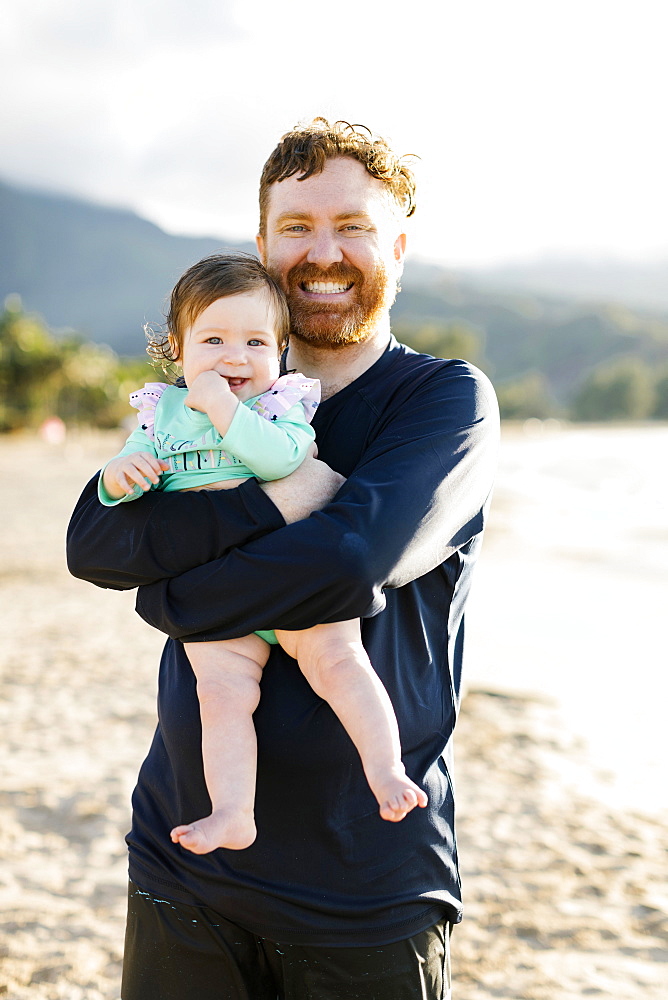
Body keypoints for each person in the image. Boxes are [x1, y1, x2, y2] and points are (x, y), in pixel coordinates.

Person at [67, 118, 500, 999]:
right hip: (184, 860)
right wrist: (276, 503)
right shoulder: (214, 393)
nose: (324, 252)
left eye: (354, 228)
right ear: (263, 245)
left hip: (364, 889)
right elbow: (96, 541)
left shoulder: (444, 403)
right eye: (297, 228)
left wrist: (170, 599)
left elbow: (349, 562)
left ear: (399, 248)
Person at [99, 252, 427, 855]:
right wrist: (122, 474)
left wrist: (223, 409)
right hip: (221, 598)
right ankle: (232, 813)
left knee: (341, 663)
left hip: (296, 579)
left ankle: (385, 770)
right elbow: (114, 489)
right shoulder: (160, 411)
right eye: (214, 339)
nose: (235, 356)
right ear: (178, 348)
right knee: (221, 697)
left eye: (256, 341)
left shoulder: (280, 405)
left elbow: (281, 463)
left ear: (279, 353)